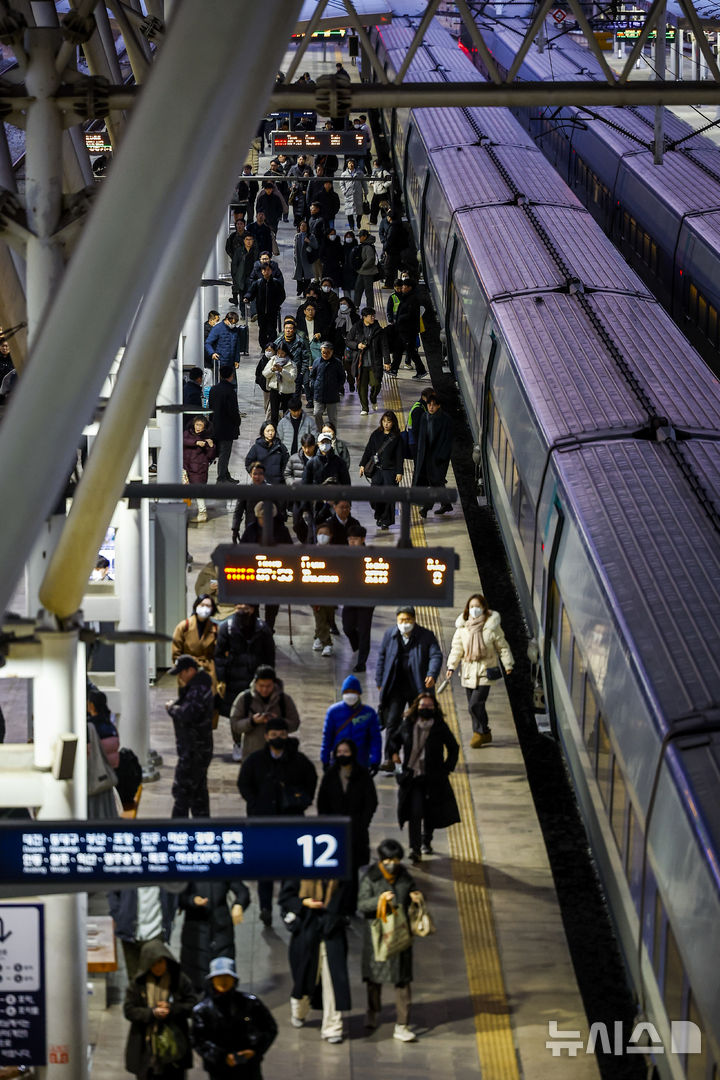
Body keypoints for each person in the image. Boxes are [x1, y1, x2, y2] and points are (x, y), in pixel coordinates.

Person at [237, 719, 318, 924]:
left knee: (288, 869)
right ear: (266, 736)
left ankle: (285, 905)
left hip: (290, 822)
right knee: (265, 867)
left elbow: (311, 781)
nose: (278, 739)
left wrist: (302, 802)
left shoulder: (299, 761)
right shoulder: (255, 760)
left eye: (282, 735)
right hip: (263, 822)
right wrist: (255, 804)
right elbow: (244, 783)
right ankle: (265, 907)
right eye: (273, 735)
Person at [357, 839, 424, 1042]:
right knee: (373, 979)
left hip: (400, 935)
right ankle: (373, 1012)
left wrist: (416, 898)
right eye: (387, 859)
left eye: (395, 859)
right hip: (378, 936)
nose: (391, 863)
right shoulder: (370, 877)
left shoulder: (405, 876)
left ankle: (402, 1024)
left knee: (402, 981)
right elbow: (361, 904)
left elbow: (412, 894)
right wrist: (379, 901)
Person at [278, 876, 352, 1042]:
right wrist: (304, 902)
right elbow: (285, 899)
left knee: (333, 979)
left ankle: (333, 1027)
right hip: (306, 931)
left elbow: (348, 900)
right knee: (304, 977)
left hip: (332, 930)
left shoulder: (341, 874)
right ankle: (299, 1010)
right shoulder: (299, 871)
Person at [390, 692, 460, 861]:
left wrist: (446, 769)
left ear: (435, 708)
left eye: (429, 706)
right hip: (412, 777)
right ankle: (415, 849)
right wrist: (394, 757)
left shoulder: (439, 726)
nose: (426, 709)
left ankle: (426, 841)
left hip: (433, 778)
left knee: (430, 811)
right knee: (415, 812)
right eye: (423, 706)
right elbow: (394, 741)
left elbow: (453, 747)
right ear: (417, 707)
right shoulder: (408, 724)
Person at [375, 605, 442, 770]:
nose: (404, 623)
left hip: (417, 688)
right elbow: (382, 657)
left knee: (418, 723)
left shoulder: (426, 636)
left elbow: (435, 655)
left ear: (414, 620)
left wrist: (432, 674)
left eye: (408, 620)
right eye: (401, 620)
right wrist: (379, 681)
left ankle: (417, 759)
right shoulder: (390, 635)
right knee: (392, 723)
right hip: (395, 687)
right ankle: (389, 758)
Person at [317, 738, 378, 914]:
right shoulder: (330, 775)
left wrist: (363, 822)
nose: (342, 755)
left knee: (352, 870)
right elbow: (323, 802)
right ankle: (335, 904)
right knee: (335, 870)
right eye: (339, 752)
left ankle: (350, 906)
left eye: (346, 752)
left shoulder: (363, 775)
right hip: (334, 832)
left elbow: (371, 801)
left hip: (356, 831)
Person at [192, 956, 277, 1080]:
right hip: (219, 1069)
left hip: (248, 1067)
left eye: (227, 977)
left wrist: (254, 1050)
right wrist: (222, 1056)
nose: (223, 981)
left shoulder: (251, 1003)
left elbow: (269, 1028)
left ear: (234, 980)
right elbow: (198, 1040)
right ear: (212, 980)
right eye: (219, 977)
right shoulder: (202, 1010)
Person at [446, 593, 514, 747]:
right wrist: (451, 666)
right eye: (472, 607)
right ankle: (484, 732)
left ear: (484, 608)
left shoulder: (492, 628)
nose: (474, 610)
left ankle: (479, 733)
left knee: (474, 705)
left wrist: (508, 664)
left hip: (485, 672)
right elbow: (457, 649)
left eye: (478, 606)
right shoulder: (462, 628)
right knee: (477, 705)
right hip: (468, 672)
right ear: (467, 609)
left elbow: (502, 647)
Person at [123, 940, 196, 1080]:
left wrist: (172, 1009)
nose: (158, 967)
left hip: (174, 1046)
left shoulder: (179, 980)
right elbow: (129, 1010)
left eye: (161, 962)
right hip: (146, 1048)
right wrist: (152, 1013)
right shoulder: (138, 984)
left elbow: (192, 1005)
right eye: (154, 963)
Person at [215, 606, 275, 742]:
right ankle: (237, 743)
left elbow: (270, 656)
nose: (242, 610)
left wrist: (270, 678)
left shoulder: (262, 629)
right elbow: (219, 656)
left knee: (257, 712)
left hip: (257, 678)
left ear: (252, 609)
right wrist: (221, 678)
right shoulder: (227, 628)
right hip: (233, 678)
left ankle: (253, 742)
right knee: (235, 713)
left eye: (246, 607)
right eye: (239, 607)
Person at [179, 881, 250, 993]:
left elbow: (242, 891)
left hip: (222, 930)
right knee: (195, 976)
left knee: (224, 976)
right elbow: (177, 897)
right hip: (195, 931)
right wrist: (192, 900)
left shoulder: (221, 868)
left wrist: (239, 904)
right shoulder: (189, 867)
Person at [166, 655, 214, 818]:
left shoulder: (198, 689)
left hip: (193, 752)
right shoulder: (198, 686)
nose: (180, 677)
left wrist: (172, 708)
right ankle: (202, 828)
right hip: (196, 750)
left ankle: (177, 832)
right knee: (198, 794)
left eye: (182, 673)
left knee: (183, 794)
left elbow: (187, 714)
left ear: (191, 670)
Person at [230, 664, 299, 762]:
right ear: (255, 683)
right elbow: (235, 725)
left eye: (268, 686)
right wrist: (252, 721)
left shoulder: (284, 699)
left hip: (279, 756)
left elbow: (295, 723)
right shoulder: (244, 699)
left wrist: (278, 722)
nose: (264, 689)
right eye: (261, 686)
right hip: (251, 756)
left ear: (274, 684)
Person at [320, 675, 381, 771]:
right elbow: (327, 738)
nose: (350, 694)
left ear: (359, 693)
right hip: (339, 762)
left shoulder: (369, 713)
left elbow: (375, 739)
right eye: (347, 692)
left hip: (361, 763)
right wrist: (325, 760)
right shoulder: (333, 711)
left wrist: (375, 761)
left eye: (353, 692)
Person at [359, 409, 404, 529]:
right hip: (377, 471)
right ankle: (379, 515)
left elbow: (400, 456)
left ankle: (386, 520)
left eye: (389, 421)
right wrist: (362, 465)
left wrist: (399, 472)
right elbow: (368, 450)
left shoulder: (397, 438)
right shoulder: (375, 434)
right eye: (384, 421)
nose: (386, 424)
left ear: (393, 423)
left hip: (390, 471)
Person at [341, 524, 375, 672]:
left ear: (363, 539)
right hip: (350, 597)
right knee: (347, 627)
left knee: (364, 630)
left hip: (367, 599)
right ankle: (357, 647)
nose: (352, 542)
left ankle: (362, 662)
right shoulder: (345, 555)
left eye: (355, 539)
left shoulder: (370, 555)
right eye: (350, 539)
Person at [412, 393, 453, 516]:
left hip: (439, 457)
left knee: (436, 483)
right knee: (437, 483)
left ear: (439, 406)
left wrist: (442, 456)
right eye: (429, 405)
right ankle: (446, 504)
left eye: (434, 405)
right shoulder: (424, 417)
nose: (431, 407)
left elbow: (448, 441)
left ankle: (426, 509)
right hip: (425, 456)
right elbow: (421, 437)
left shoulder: (446, 420)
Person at [171, 594, 218, 698]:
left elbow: (219, 652)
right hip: (189, 670)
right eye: (202, 604)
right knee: (189, 704)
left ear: (212, 609)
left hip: (209, 670)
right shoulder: (184, 626)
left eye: (208, 606)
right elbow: (176, 651)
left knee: (209, 705)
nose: (205, 608)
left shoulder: (215, 628)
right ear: (196, 606)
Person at [346, 307, 389, 415]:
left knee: (376, 384)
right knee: (362, 387)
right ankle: (364, 408)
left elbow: (384, 346)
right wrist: (357, 345)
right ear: (364, 317)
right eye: (371, 316)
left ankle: (373, 398)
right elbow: (348, 341)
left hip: (375, 362)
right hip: (360, 363)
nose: (373, 318)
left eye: (374, 316)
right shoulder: (357, 327)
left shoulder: (378, 330)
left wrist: (387, 361)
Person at [208, 365, 240, 484]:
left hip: (215, 425)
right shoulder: (230, 391)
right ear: (231, 376)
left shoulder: (213, 389)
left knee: (223, 452)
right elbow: (232, 410)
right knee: (224, 453)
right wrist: (237, 421)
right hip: (227, 427)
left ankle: (226, 475)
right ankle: (221, 477)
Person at [388, 280, 426, 379]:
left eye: (404, 286)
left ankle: (421, 370)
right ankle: (393, 369)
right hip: (402, 330)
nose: (402, 288)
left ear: (410, 288)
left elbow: (411, 314)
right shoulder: (407, 297)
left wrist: (400, 318)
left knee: (411, 351)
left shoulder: (412, 299)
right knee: (398, 350)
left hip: (409, 331)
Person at [310, 523, 337, 655]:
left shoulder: (335, 552)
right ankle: (327, 643)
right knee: (320, 616)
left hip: (331, 591)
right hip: (315, 591)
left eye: (326, 534)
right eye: (320, 533)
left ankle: (318, 637)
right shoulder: (311, 552)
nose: (322, 536)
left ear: (331, 536)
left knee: (327, 617)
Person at [284, 431, 316, 542]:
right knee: (296, 523)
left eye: (309, 447)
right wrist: (292, 484)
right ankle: (304, 540)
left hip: (314, 498)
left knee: (313, 522)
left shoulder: (318, 459)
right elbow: (287, 474)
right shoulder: (294, 458)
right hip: (298, 497)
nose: (307, 450)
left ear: (314, 446)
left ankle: (311, 542)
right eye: (304, 447)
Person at [244, 264, 285, 349]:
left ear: (271, 271)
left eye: (268, 270)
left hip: (272, 311)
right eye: (264, 270)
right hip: (261, 311)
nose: (266, 272)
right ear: (262, 272)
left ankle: (272, 345)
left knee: (272, 329)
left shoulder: (276, 283)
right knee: (262, 329)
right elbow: (251, 292)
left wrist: (277, 304)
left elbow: (282, 295)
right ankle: (264, 346)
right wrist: (247, 298)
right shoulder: (258, 283)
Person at [183, 416, 215, 523]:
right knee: (184, 491)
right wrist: (196, 443)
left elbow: (211, 456)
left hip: (198, 469)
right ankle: (183, 511)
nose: (198, 427)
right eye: (197, 424)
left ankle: (202, 512)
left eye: (201, 425)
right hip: (185, 467)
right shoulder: (187, 433)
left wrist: (211, 446)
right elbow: (184, 441)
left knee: (198, 491)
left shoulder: (207, 438)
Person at [231, 461, 270, 541]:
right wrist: (235, 529)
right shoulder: (245, 491)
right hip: (250, 528)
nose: (257, 477)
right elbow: (238, 512)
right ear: (250, 475)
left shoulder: (270, 490)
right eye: (255, 474)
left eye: (260, 474)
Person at [310, 340, 345, 431]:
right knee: (316, 413)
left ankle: (332, 435)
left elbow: (342, 377)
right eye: (323, 352)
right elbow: (312, 376)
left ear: (332, 352)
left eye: (327, 352)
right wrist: (314, 385)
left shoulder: (337, 363)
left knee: (332, 418)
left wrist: (337, 387)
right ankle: (321, 431)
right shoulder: (317, 362)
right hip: (319, 393)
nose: (325, 354)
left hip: (332, 395)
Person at [87, 689, 120, 769]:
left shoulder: (90, 726)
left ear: (92, 705)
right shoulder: (110, 724)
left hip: (99, 773)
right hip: (113, 769)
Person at [229, 234, 257, 315]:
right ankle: (243, 313)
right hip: (242, 277)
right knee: (242, 295)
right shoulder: (239, 251)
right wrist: (235, 276)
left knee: (253, 295)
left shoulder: (255, 251)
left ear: (253, 241)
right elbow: (234, 264)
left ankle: (253, 313)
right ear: (244, 241)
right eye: (247, 239)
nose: (248, 241)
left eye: (250, 239)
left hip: (252, 276)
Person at [352, 229, 378, 313]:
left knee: (368, 290)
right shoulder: (364, 245)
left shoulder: (368, 246)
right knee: (358, 288)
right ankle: (356, 305)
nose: (359, 238)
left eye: (360, 236)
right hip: (362, 272)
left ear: (365, 237)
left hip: (368, 272)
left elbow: (371, 259)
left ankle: (370, 307)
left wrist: (362, 266)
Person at [405, 387, 432, 459]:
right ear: (424, 397)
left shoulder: (421, 406)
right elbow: (416, 430)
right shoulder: (418, 410)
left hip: (415, 442)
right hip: (415, 443)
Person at [340, 158, 366, 230]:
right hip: (348, 195)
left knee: (359, 211)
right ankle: (351, 227)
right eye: (349, 163)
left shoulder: (359, 173)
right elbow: (341, 184)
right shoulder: (344, 174)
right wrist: (344, 191)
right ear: (347, 164)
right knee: (349, 212)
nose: (351, 164)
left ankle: (358, 222)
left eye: (352, 163)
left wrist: (365, 192)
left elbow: (364, 183)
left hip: (358, 194)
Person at [293, 220, 315, 296]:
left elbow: (315, 246)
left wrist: (309, 242)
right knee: (299, 276)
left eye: (304, 226)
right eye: (301, 226)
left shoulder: (311, 236)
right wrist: (295, 257)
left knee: (307, 277)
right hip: (299, 259)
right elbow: (295, 248)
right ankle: (299, 289)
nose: (303, 227)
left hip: (307, 260)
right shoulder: (297, 236)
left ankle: (306, 291)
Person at [369, 159, 392, 225]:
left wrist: (384, 186)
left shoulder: (384, 172)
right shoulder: (374, 172)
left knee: (383, 208)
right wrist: (371, 184)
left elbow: (390, 180)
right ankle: (373, 221)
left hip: (382, 193)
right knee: (373, 207)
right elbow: (371, 179)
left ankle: (385, 221)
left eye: (375, 165)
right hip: (376, 193)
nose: (374, 166)